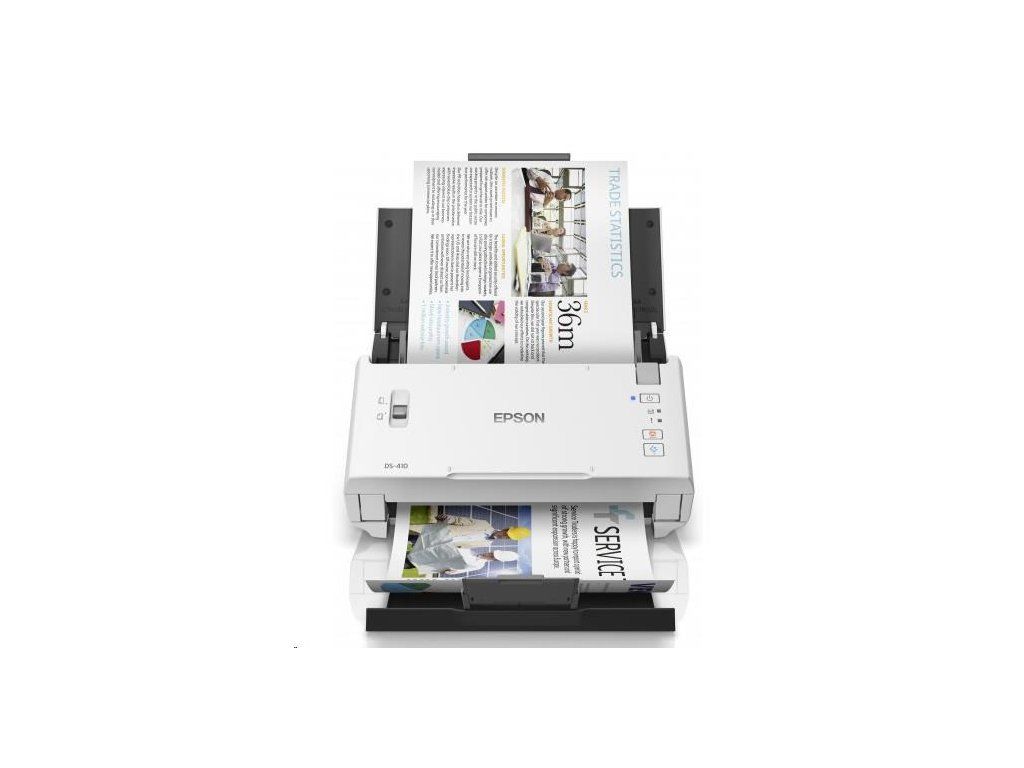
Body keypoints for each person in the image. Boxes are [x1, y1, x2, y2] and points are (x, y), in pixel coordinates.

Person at [443, 549, 519, 576]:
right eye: (491, 553)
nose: (488, 554)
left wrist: (452, 571)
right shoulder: (470, 550)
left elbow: (457, 571)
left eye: (491, 556)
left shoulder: (479, 565)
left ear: (494, 560)